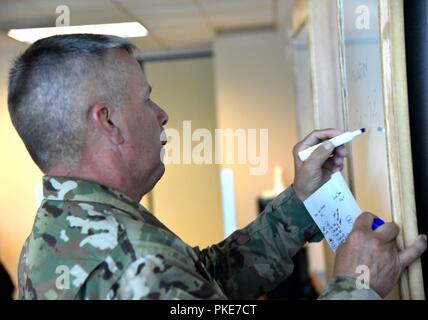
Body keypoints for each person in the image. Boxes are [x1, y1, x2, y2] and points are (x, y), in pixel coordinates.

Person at [8, 34, 426, 300]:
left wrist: (300, 203)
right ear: (109, 121)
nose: (162, 114)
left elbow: (205, 281)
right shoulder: (133, 260)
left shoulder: (57, 232)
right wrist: (358, 287)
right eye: (146, 98)